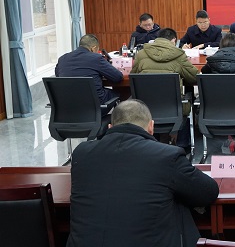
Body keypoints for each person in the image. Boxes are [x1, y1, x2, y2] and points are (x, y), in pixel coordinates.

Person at [67, 99, 219, 247]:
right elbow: (208, 191)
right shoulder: (166, 156)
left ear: (110, 127)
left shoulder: (81, 153)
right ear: (151, 127)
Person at [131, 27, 198, 150]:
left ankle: (152, 139)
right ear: (173, 40)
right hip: (173, 107)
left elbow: (133, 77)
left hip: (146, 106)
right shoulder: (179, 55)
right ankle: (182, 144)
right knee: (188, 98)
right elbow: (195, 77)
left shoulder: (141, 54)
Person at [55, 34, 123, 136]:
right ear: (93, 48)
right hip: (94, 107)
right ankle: (117, 132)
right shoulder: (96, 58)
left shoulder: (62, 59)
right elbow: (117, 77)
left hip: (69, 108)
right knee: (118, 93)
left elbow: (59, 76)